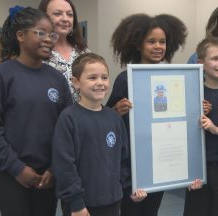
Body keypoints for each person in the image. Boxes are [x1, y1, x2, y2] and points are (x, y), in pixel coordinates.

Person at [0, 6, 72, 216]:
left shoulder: (57, 79)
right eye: (41, 33)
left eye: (52, 35)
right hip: (9, 173)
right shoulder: (1, 76)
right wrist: (17, 168)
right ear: (20, 35)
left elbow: (66, 128)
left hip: (47, 175)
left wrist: (54, 168)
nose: (49, 39)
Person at [107, 13, 202, 216]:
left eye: (163, 42)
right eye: (151, 41)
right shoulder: (125, 79)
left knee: (152, 211)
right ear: (138, 44)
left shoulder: (173, 78)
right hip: (131, 165)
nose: (158, 46)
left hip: (160, 162)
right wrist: (116, 111)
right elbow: (106, 118)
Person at [52, 53, 147, 216]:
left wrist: (130, 187)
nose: (100, 83)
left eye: (104, 77)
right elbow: (64, 166)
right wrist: (76, 204)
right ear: (76, 82)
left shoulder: (114, 118)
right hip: (81, 206)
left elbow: (123, 160)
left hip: (112, 202)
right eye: (92, 78)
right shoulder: (69, 119)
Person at [183, 37, 218, 216]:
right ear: (201, 63)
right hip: (197, 170)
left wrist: (216, 129)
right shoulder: (191, 94)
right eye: (215, 58)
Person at [39, 0, 90, 101]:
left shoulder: (84, 52)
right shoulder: (37, 52)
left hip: (81, 114)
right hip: (49, 114)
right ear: (43, 18)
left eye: (70, 15)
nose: (65, 19)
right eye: (57, 14)